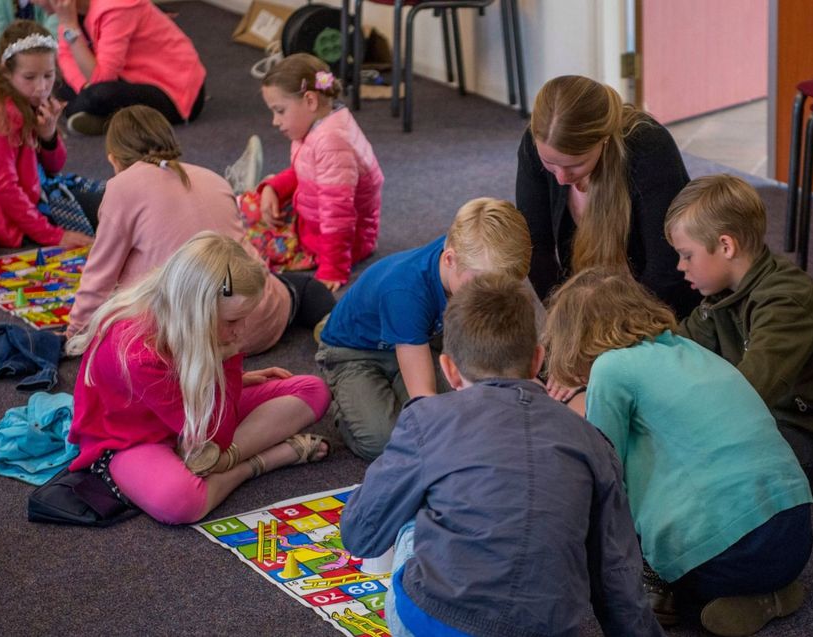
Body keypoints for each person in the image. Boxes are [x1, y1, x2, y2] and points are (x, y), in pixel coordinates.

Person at [340, 274, 664, 637]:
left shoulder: (426, 419)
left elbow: (361, 535)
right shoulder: (592, 440)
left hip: (434, 624)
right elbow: (617, 574)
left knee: (411, 509)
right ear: (537, 359)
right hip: (548, 628)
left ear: (448, 369)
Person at [544, 266, 813, 637]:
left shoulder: (610, 367)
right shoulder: (687, 349)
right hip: (796, 535)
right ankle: (770, 593)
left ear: (572, 335)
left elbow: (602, 472)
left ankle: (681, 592)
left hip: (729, 558)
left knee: (616, 520)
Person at [65, 232, 331, 525]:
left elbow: (191, 390)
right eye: (232, 321)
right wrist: (228, 360)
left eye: (245, 318)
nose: (242, 331)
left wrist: (235, 378)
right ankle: (256, 463)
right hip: (133, 440)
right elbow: (216, 435)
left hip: (192, 408)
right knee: (180, 501)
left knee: (313, 390)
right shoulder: (138, 352)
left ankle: (212, 463)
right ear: (195, 312)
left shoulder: (180, 316)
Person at [65, 105, 334, 355]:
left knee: (129, 284)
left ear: (114, 160)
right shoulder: (213, 178)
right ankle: (335, 328)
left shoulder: (121, 187)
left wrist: (76, 334)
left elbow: (98, 276)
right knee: (305, 287)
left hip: (179, 342)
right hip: (252, 323)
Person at [666, 174, 813, 495]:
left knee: (696, 467)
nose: (680, 266)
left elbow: (745, 396)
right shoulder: (723, 292)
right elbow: (675, 349)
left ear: (726, 246)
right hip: (769, 416)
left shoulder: (787, 303)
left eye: (686, 255)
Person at [316, 198, 531, 461]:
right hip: (355, 353)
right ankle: (345, 404)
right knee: (384, 440)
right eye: (482, 286)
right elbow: (424, 398)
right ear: (450, 259)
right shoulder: (406, 291)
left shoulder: (470, 260)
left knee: (463, 398)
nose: (491, 299)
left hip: (420, 342)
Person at [515, 74, 699, 318]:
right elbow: (536, 247)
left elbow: (667, 265)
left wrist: (628, 332)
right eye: (550, 163)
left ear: (603, 140)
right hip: (589, 303)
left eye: (575, 165)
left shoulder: (649, 147)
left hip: (660, 305)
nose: (560, 178)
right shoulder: (532, 145)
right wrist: (565, 317)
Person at [236, 53, 383, 292]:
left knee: (242, 238)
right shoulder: (319, 125)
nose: (275, 121)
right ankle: (254, 188)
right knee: (249, 206)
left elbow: (338, 214)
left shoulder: (332, 142)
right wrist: (274, 189)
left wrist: (333, 269)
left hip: (332, 243)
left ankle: (237, 192)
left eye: (280, 110)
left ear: (310, 101)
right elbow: (302, 171)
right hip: (311, 217)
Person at [0, 20, 92, 252]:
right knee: (105, 211)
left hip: (35, 194)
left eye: (48, 76)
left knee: (107, 202)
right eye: (30, 77)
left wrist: (49, 135)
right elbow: (5, 189)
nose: (41, 87)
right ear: (6, 71)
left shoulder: (29, 100)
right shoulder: (0, 114)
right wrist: (54, 236)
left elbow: (55, 167)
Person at [50, 0, 207, 135]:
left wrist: (69, 25)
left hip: (172, 90)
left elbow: (102, 79)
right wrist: (84, 87)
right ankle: (103, 115)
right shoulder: (72, 10)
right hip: (123, 78)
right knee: (55, 83)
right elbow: (65, 56)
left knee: (99, 94)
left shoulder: (118, 6)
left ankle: (101, 116)